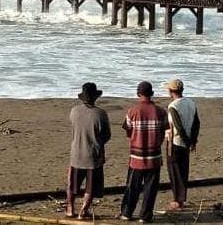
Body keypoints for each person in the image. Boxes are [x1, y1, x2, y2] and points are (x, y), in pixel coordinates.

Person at [119, 81, 168, 223]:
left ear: (138, 94)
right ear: (151, 94)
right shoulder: (161, 111)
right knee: (150, 189)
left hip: (136, 156)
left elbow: (128, 132)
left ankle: (127, 213)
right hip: (154, 155)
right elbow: (164, 131)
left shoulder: (132, 111)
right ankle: (145, 216)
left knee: (132, 187)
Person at [66, 82, 111, 219]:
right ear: (95, 97)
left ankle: (70, 207)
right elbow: (106, 136)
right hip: (93, 155)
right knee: (90, 187)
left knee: (73, 184)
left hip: (76, 152)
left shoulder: (74, 111)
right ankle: (83, 211)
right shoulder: (100, 114)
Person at [164, 79, 200, 210]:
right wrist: (193, 141)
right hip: (187, 141)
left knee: (174, 172)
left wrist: (187, 141)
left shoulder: (173, 106)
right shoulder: (191, 102)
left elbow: (178, 127)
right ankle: (181, 199)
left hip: (175, 142)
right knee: (184, 171)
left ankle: (178, 200)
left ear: (171, 91)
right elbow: (196, 123)